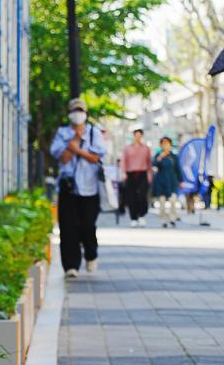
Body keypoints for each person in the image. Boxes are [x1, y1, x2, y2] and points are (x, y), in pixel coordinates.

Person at [50, 97, 107, 278]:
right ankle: (70, 266)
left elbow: (96, 157)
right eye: (75, 111)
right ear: (69, 114)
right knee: (67, 228)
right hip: (68, 188)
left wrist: (77, 149)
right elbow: (62, 157)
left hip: (90, 188)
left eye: (81, 111)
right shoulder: (62, 133)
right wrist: (73, 141)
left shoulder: (93, 133)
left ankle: (91, 254)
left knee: (87, 225)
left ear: (86, 114)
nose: (77, 115)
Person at [120, 128, 152, 227]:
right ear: (133, 136)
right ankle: (133, 218)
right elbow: (123, 161)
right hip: (131, 174)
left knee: (142, 196)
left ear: (141, 136)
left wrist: (149, 175)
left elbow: (149, 163)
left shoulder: (146, 148)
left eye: (140, 136)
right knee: (131, 197)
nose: (138, 138)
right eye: (136, 135)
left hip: (143, 173)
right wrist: (123, 173)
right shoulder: (127, 148)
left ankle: (141, 215)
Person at [152, 137, 181, 227]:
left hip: (172, 182)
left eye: (167, 143)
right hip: (161, 182)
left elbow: (178, 170)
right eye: (164, 144)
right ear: (161, 145)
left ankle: (173, 218)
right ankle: (163, 220)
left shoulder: (174, 157)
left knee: (173, 201)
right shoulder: (158, 156)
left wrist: (181, 181)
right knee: (162, 203)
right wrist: (161, 156)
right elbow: (154, 164)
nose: (166, 146)